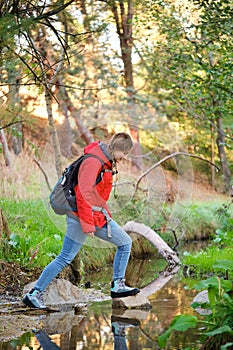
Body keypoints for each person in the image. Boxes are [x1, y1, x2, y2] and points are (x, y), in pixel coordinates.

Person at [23, 132, 140, 309]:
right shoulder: (94, 161)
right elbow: (83, 194)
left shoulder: (107, 162)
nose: (125, 157)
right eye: (124, 153)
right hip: (80, 217)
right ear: (116, 148)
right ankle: (34, 294)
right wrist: (87, 224)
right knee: (65, 257)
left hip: (97, 217)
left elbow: (98, 195)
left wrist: (106, 215)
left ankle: (118, 285)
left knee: (125, 242)